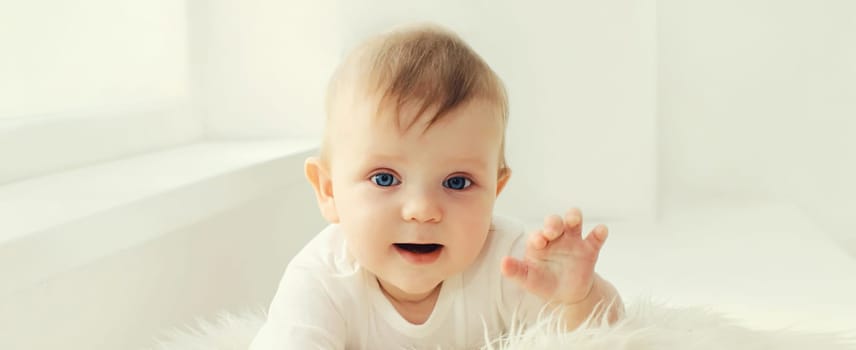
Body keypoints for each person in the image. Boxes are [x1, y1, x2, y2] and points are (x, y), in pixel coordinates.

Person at [250, 23, 624, 349]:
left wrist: (579, 297)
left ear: (495, 191)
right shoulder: (322, 280)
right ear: (328, 191)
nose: (423, 208)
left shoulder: (508, 262)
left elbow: (607, 337)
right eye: (385, 179)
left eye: (457, 182)